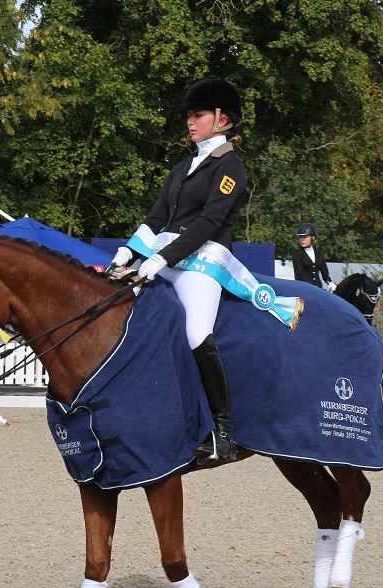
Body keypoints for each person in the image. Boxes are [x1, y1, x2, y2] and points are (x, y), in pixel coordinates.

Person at [108, 77, 247, 464]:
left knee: (195, 333)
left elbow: (208, 223)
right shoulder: (184, 166)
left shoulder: (231, 167)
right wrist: (127, 253)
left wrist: (160, 260)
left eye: (198, 114)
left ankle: (223, 431)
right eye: (189, 114)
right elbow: (157, 217)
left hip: (202, 261)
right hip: (164, 257)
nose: (190, 120)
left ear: (223, 120)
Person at [291, 223, 335, 290]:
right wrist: (311, 287)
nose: (302, 240)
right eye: (300, 237)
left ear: (313, 237)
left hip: (319, 288)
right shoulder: (297, 254)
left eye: (305, 237)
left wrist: (330, 283)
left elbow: (325, 274)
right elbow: (299, 275)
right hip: (304, 289)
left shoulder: (319, 254)